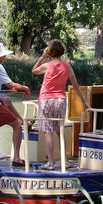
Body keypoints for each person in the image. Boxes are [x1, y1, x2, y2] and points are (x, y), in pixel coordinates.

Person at [32, 39, 89, 171]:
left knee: (48, 132)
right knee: (60, 131)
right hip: (60, 101)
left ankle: (51, 163)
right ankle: (65, 160)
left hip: (46, 100)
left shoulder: (47, 65)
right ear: (62, 52)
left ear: (50, 52)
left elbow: (34, 70)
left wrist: (42, 57)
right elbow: (76, 86)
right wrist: (84, 102)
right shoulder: (67, 67)